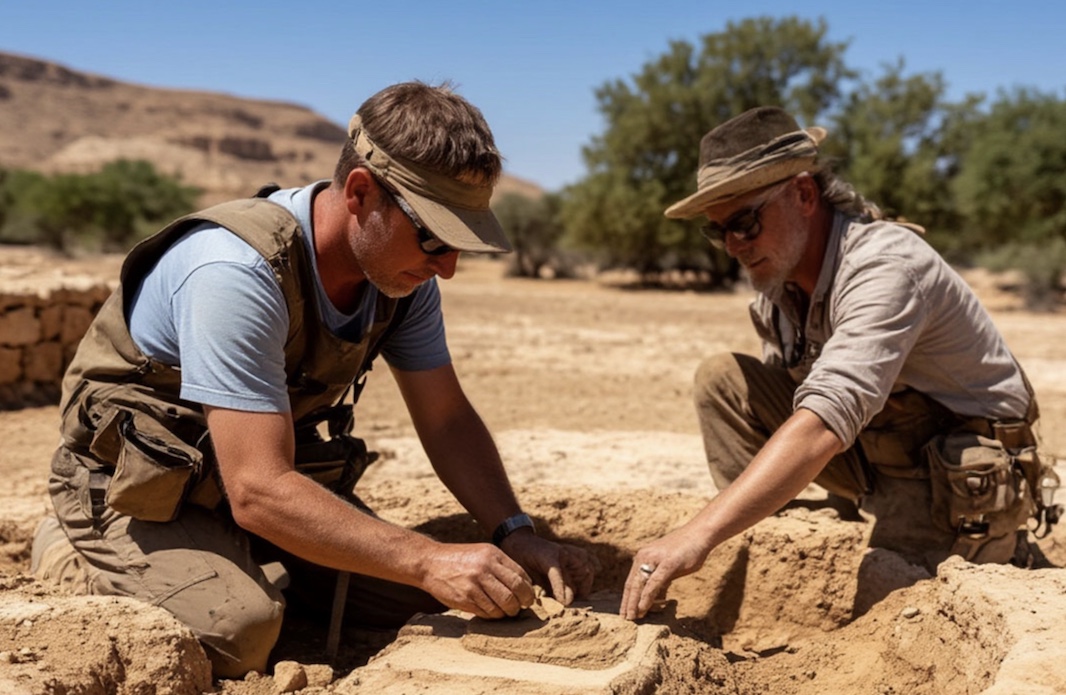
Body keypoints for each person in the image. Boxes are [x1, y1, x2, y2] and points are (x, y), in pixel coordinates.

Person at [30, 81, 595, 676]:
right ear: (360, 193)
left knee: (431, 598)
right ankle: (73, 552)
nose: (447, 269)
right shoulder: (236, 273)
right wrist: (427, 557)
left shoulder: (402, 281)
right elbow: (257, 489)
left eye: (459, 245)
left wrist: (513, 532)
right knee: (240, 633)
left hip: (246, 479)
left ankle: (237, 563)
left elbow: (447, 418)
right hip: (135, 486)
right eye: (433, 237)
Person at [620, 106, 1058, 621]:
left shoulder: (886, 267)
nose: (734, 246)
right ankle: (785, 520)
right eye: (719, 233)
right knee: (723, 379)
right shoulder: (777, 287)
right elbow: (799, 394)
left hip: (957, 472)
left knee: (894, 617)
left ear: (804, 195)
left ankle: (1001, 548)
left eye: (745, 222)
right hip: (878, 450)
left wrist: (697, 535)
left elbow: (827, 417)